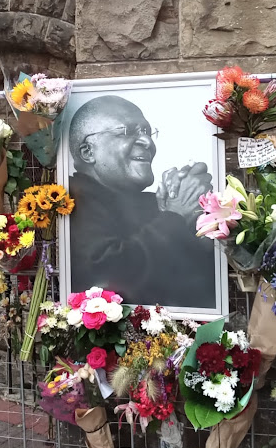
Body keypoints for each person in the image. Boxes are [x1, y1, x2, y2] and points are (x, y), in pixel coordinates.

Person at [68, 95, 216, 307]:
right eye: (127, 132)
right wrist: (175, 215)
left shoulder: (153, 203)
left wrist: (199, 211)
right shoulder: (72, 201)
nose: (148, 142)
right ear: (88, 151)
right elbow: (109, 275)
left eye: (147, 131)